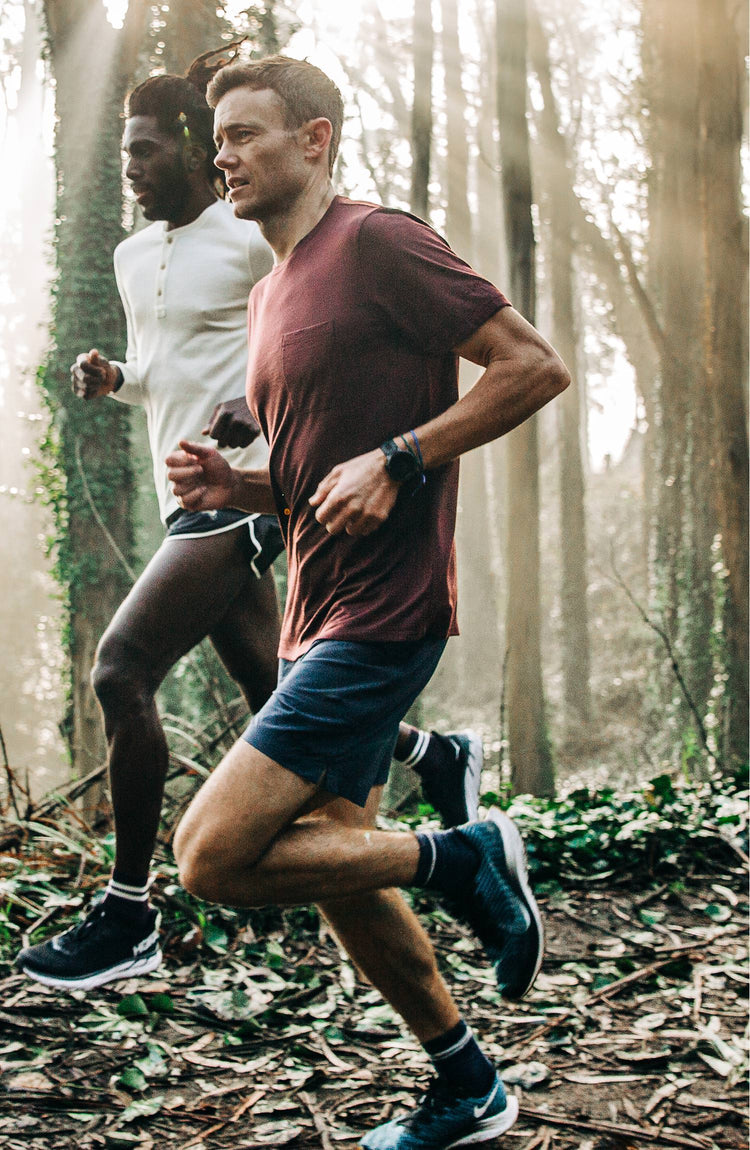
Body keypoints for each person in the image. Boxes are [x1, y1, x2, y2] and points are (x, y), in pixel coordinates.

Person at [164, 56, 569, 1150]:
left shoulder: (378, 241)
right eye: (221, 140)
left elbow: (531, 365)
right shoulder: (268, 294)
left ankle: (467, 854)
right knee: (335, 864)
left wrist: (403, 453)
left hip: (383, 612)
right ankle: (467, 1085)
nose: (226, 155)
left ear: (317, 140)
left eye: (249, 134)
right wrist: (239, 486)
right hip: (315, 610)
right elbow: (314, 476)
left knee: (210, 855)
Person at [16, 58, 484, 996]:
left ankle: (129, 910)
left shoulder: (260, 240)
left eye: (148, 151)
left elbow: (298, 352)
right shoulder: (130, 257)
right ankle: (433, 756)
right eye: (123, 155)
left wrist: (279, 421)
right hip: (200, 495)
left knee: (121, 668)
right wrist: (120, 379)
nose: (133, 170)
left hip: (251, 500)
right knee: (281, 692)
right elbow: (173, 362)